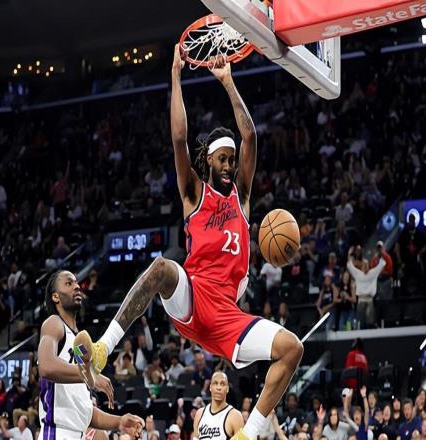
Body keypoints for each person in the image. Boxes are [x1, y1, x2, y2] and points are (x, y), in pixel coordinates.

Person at [73, 46, 303, 440]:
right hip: (194, 299)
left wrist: (228, 83)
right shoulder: (194, 194)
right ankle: (101, 350)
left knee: (292, 349)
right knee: (163, 268)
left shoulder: (243, 197)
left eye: (232, 159)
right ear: (209, 161)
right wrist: (176, 76)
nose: (229, 165)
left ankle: (248, 434)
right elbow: (179, 138)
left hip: (228, 315)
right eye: (222, 159)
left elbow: (249, 135)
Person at [38, 270, 145, 439]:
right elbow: (46, 366)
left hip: (78, 434)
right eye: (69, 283)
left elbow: (85, 412)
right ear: (55, 296)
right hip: (58, 433)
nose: (76, 286)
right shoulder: (54, 323)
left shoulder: (78, 342)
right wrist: (91, 375)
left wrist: (118, 422)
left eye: (76, 282)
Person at [194, 371, 244, 439]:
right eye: (215, 383)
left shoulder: (235, 416)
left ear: (227, 389)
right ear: (210, 387)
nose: (219, 387)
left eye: (222, 384)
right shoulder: (199, 414)